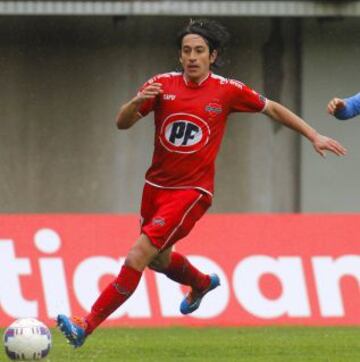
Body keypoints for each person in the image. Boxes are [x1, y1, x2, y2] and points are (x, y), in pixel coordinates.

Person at [57, 19, 347, 348]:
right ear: (179, 57)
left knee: (137, 255)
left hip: (192, 192)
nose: (192, 57)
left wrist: (314, 135)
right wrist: (137, 102)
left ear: (212, 55)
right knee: (159, 260)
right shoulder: (161, 85)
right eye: (186, 51)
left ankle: (86, 324)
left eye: (199, 51)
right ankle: (202, 283)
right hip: (154, 188)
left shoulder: (227, 90)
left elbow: (273, 109)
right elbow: (121, 123)